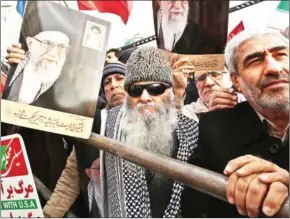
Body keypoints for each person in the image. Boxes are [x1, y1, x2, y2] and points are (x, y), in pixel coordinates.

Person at [182, 29, 289, 218]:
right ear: (236, 81)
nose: (274, 67)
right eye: (255, 61)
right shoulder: (214, 127)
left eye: (280, 55)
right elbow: (194, 204)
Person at [97, 47, 199, 218]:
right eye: (136, 90)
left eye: (155, 88)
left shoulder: (191, 130)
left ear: (169, 91)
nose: (144, 97)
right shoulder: (107, 123)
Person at [42, 62, 127, 218]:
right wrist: (48, 215)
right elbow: (70, 178)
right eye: (107, 82)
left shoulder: (149, 120)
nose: (113, 86)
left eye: (119, 78)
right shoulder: (93, 125)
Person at [5, 31, 69, 105]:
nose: (53, 53)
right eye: (47, 43)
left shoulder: (67, 88)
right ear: (30, 43)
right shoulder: (13, 64)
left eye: (62, 47)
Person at [156, 0, 221, 54]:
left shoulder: (202, 39)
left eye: (183, 0)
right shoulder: (149, 27)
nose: (178, 6)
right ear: (159, 2)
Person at [182, 69, 246, 121]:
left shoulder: (251, 103)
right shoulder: (186, 114)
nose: (208, 82)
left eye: (215, 74)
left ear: (231, 78)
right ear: (196, 84)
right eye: (201, 78)